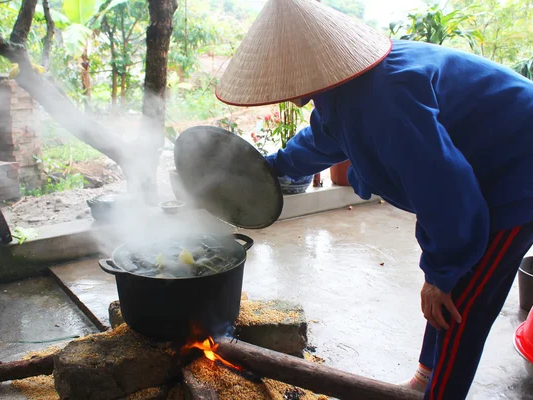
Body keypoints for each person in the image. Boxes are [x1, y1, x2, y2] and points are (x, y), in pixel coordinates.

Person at [214, 0, 533, 399]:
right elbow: (325, 137)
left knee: (461, 304)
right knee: (445, 293)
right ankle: (424, 380)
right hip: (485, 164)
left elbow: (447, 193)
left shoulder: (387, 97)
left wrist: (440, 273)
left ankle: (440, 393)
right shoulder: (346, 84)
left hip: (518, 173)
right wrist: (269, 169)